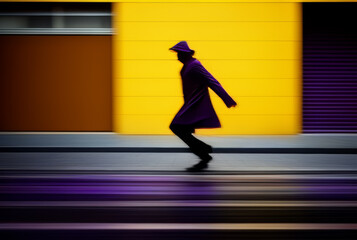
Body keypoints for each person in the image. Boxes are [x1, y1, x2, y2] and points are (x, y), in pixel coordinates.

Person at [169, 41, 237, 171]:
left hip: (196, 104)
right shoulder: (187, 66)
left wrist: (227, 99)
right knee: (179, 128)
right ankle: (203, 153)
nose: (177, 56)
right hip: (190, 104)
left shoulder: (194, 65)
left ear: (185, 54)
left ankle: (204, 152)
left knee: (176, 127)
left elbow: (212, 81)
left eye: (178, 53)